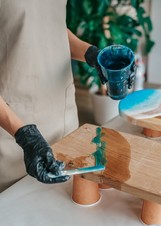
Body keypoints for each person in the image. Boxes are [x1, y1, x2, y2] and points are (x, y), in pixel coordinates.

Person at [0, 0, 104, 192]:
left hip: (63, 119)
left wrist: (92, 54)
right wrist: (25, 136)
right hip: (11, 131)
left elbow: (48, 27)